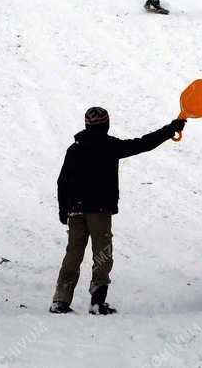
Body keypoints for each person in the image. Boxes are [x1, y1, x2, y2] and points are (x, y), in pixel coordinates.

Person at [50, 107, 186, 315]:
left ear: (86, 125)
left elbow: (62, 181)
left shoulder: (74, 149)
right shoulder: (110, 146)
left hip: (75, 211)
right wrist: (170, 129)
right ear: (106, 125)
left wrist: (63, 210)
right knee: (102, 254)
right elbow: (144, 143)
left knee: (73, 253)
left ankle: (60, 301)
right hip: (99, 210)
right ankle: (97, 302)